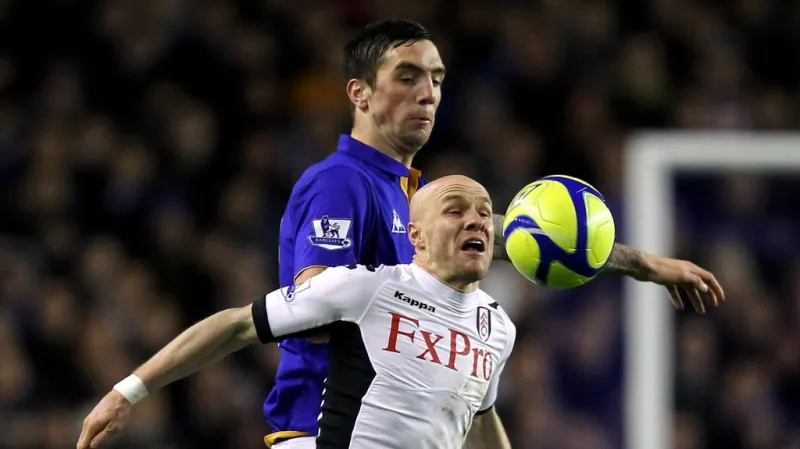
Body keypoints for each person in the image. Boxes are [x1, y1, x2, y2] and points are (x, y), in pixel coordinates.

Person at [266, 18, 725, 449]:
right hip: (325, 433)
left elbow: (531, 237)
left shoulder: (417, 200)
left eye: (437, 80)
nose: (428, 94)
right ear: (360, 93)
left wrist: (645, 265)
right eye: (408, 77)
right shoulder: (342, 183)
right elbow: (312, 309)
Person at [77, 175, 516, 449]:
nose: (476, 221)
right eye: (455, 211)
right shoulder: (368, 288)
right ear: (416, 235)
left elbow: (481, 418)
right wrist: (128, 391)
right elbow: (236, 326)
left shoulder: (497, 327)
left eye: (482, 213)